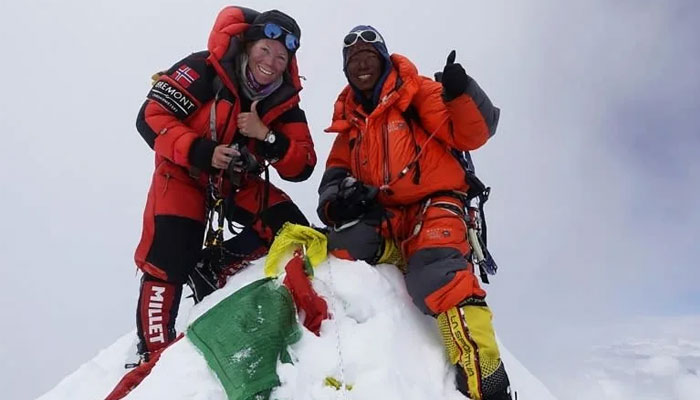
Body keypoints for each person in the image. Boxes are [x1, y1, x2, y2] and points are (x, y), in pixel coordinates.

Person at [317, 25, 511, 400]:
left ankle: (487, 380)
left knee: (436, 274)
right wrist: (336, 201)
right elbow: (334, 172)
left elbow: (474, 133)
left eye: (369, 57)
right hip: (388, 214)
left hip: (435, 203)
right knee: (341, 245)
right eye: (354, 60)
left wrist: (462, 93)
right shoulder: (351, 122)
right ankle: (404, 253)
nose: (361, 65)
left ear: (384, 59)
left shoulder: (417, 91)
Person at [132, 6, 316, 363]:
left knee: (292, 229)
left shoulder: (284, 101)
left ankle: (214, 267)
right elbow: (150, 118)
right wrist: (202, 151)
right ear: (248, 46)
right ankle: (152, 353)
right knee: (169, 258)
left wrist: (267, 138)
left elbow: (303, 164)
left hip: (237, 181)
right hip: (183, 174)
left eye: (282, 56)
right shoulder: (204, 69)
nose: (272, 62)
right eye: (265, 49)